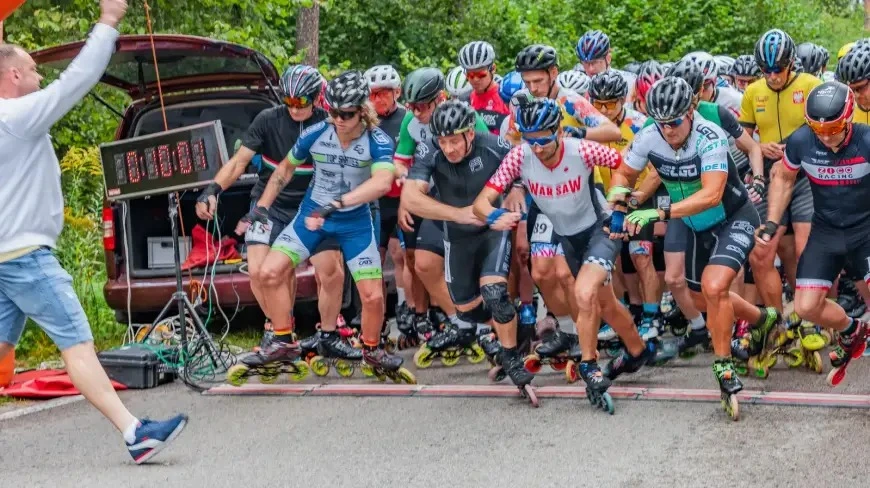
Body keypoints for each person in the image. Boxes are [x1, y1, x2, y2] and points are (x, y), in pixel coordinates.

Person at [0, 0, 187, 464]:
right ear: (13, 77)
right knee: (78, 346)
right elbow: (75, 83)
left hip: (5, 259)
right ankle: (135, 432)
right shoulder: (15, 118)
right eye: (32, 69)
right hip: (26, 259)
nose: (40, 77)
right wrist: (107, 23)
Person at [608, 77, 778, 418]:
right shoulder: (649, 134)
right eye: (661, 123)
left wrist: (659, 211)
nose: (668, 130)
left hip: (731, 216)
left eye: (674, 122)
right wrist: (618, 205)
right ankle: (763, 318)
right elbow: (623, 175)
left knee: (715, 287)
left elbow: (711, 194)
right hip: (693, 224)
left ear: (690, 112)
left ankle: (723, 366)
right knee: (702, 298)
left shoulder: (709, 135)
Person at [475, 97, 657, 412]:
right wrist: (493, 216)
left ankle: (589, 365)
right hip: (568, 239)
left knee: (583, 292)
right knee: (606, 304)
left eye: (544, 139)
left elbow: (628, 166)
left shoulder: (580, 149)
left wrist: (620, 201)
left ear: (559, 131)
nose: (539, 148)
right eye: (531, 140)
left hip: (600, 230)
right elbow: (482, 202)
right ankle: (638, 351)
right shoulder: (520, 157)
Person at [237, 70, 412, 382]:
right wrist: (262, 207)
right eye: (333, 112)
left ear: (362, 111)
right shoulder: (316, 133)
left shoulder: (377, 140)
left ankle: (371, 349)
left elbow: (383, 182)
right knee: (267, 272)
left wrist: (339, 203)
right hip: (313, 217)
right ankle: (282, 340)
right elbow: (284, 170)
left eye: (346, 114)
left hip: (354, 222)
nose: (339, 120)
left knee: (372, 296)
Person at [196, 65, 343, 351]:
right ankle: (280, 332)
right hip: (269, 205)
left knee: (331, 271)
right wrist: (212, 190)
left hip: (311, 205)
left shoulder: (329, 123)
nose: (294, 108)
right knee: (258, 271)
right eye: (288, 101)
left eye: (301, 102)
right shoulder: (267, 119)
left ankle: (328, 335)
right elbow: (238, 163)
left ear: (315, 99)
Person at [401, 99, 535, 392]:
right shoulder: (431, 154)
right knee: (468, 311)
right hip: (457, 237)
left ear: (470, 134)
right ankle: (510, 327)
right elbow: (410, 198)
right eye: (443, 141)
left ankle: (511, 357)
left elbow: (527, 161)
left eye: (454, 141)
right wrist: (458, 214)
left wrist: (516, 188)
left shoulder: (492, 143)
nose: (448, 148)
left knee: (495, 293)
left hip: (491, 229)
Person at [504, 44, 621, 350]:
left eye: (538, 82)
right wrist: (516, 184)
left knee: (566, 272)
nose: (533, 89)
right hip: (544, 195)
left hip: (579, 191)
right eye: (527, 82)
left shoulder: (571, 102)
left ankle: (590, 334)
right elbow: (513, 147)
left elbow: (612, 132)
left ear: (553, 73)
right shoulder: (523, 106)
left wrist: (575, 135)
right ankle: (568, 332)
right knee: (540, 271)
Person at [759, 81, 869, 386]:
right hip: (827, 232)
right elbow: (783, 177)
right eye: (817, 128)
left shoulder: (866, 140)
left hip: (864, 231)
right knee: (806, 306)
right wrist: (771, 221)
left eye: (833, 127)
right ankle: (852, 331)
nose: (825, 135)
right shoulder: (801, 141)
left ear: (848, 118)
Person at [393, 67, 490, 345]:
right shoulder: (410, 122)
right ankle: (462, 322)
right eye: (410, 105)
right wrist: (403, 194)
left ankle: (488, 324)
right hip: (436, 200)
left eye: (421, 105)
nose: (415, 111)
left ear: (441, 98)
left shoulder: (465, 116)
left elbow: (494, 155)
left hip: (470, 198)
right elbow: (402, 161)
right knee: (423, 264)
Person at [741, 29, 822, 316]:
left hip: (806, 177)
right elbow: (744, 140)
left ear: (791, 64)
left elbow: (824, 130)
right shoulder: (753, 92)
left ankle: (814, 317)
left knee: (805, 250)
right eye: (766, 70)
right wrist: (761, 149)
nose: (773, 76)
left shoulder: (811, 84)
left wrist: (788, 147)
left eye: (779, 69)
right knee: (762, 254)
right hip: (771, 179)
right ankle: (777, 322)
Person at [588, 70, 662, 341]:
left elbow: (655, 171)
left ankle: (653, 319)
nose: (605, 110)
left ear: (623, 100)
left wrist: (636, 198)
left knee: (641, 257)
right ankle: (631, 313)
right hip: (607, 200)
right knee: (615, 261)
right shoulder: (590, 125)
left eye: (611, 103)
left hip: (639, 196)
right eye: (599, 104)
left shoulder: (639, 124)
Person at [364, 65, 413, 328]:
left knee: (402, 254)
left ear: (396, 92)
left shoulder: (407, 118)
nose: (377, 100)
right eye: (372, 95)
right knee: (374, 260)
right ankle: (378, 320)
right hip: (377, 201)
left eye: (382, 94)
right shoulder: (363, 123)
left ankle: (408, 307)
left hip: (402, 199)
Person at [459, 41, 510, 135]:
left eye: (481, 74)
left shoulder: (506, 98)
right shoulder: (463, 100)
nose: (475, 79)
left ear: (493, 69)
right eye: (470, 75)